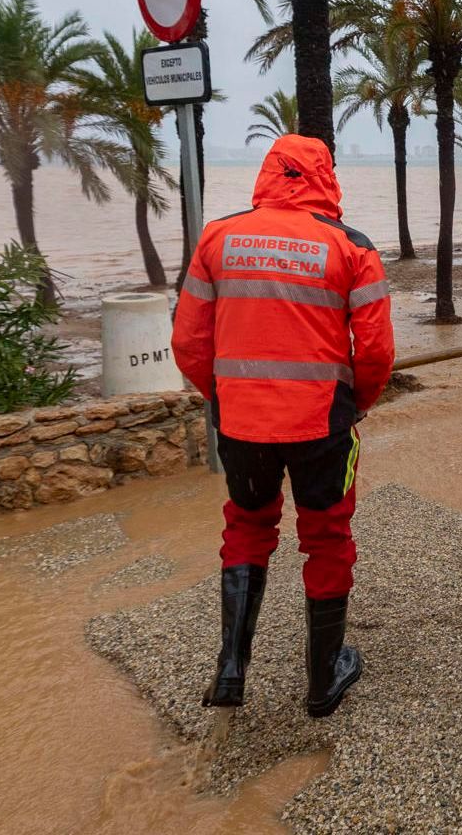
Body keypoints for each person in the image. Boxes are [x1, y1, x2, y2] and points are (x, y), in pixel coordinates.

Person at [172, 134, 394, 718]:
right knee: (326, 539)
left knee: (247, 528)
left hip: (241, 424)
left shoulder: (218, 237)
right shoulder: (352, 247)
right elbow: (374, 352)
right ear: (326, 176)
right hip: (323, 424)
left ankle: (231, 669)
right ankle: (322, 681)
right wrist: (360, 403)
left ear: (269, 171)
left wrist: (226, 397)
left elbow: (188, 342)